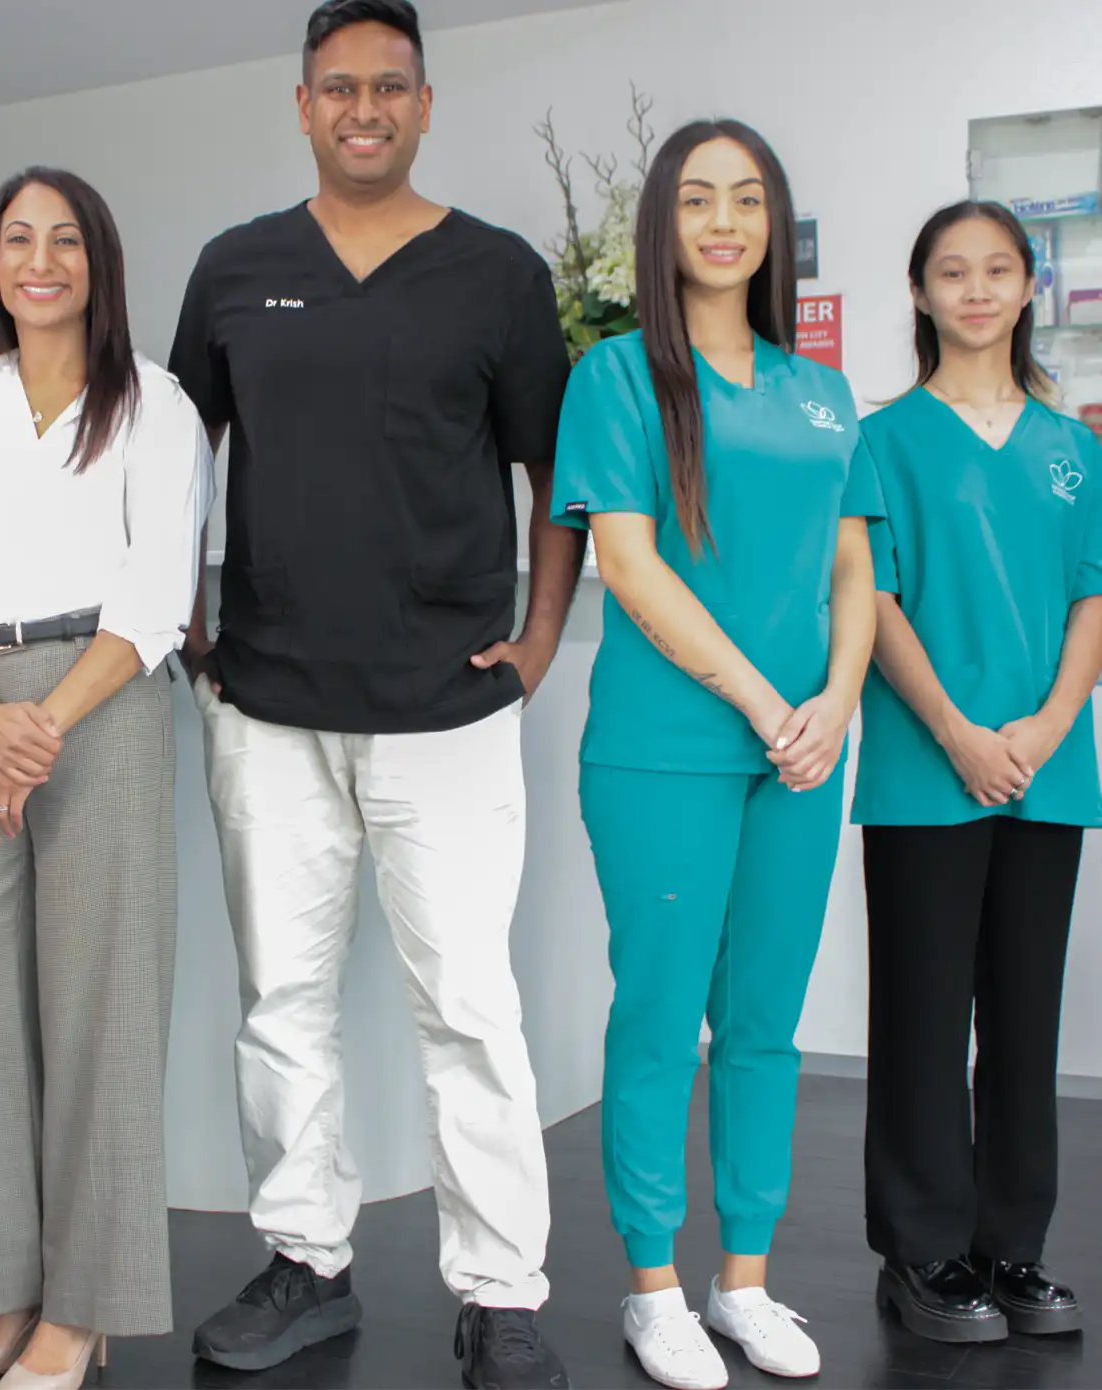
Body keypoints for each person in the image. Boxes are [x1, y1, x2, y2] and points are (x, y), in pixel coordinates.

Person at [167, 3, 581, 1386]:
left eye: (387, 86)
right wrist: (189, 620)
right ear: (300, 105)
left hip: (449, 710)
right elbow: (172, 456)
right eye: (336, 86)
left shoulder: (499, 275)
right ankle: (307, 1263)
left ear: (422, 102)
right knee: (279, 998)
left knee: (468, 1006)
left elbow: (553, 478)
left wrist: (533, 641)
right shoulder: (236, 268)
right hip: (268, 705)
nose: (362, 107)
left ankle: (501, 1290)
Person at [551, 119, 882, 1389]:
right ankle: (653, 1285)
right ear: (664, 224)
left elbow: (855, 563)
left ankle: (743, 1281)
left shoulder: (819, 389)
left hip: (803, 749)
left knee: (763, 1024)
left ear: (774, 225)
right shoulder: (621, 376)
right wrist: (763, 697)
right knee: (657, 1017)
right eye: (698, 200)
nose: (725, 221)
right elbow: (627, 562)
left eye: (748, 199)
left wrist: (838, 697)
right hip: (669, 747)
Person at [0, 167, 213, 1390]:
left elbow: (157, 590)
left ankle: (82, 1312)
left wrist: (45, 726)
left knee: (102, 1016)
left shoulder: (156, 404)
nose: (41, 259)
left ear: (99, 262)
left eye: (66, 238)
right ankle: (2, 1294)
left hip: (106, 700)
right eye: (18, 239)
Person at [854, 200, 1102, 1345]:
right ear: (921, 293)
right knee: (920, 1010)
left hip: (1047, 770)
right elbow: (877, 597)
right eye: (952, 271)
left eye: (998, 269)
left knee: (1024, 1014)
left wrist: (1049, 724)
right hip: (923, 768)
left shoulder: (1072, 448)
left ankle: (1012, 1245)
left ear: (1026, 287)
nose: (976, 289)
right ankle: (925, 1252)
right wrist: (956, 731)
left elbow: (1092, 596)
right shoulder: (884, 436)